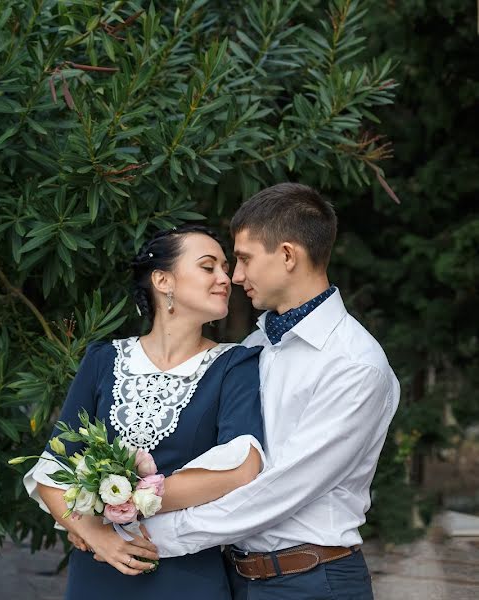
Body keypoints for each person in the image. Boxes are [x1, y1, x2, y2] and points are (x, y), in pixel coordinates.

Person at [128, 183, 401, 600]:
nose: (235, 277)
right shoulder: (254, 348)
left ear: (288, 255)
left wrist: (146, 534)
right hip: (233, 577)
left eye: (244, 259)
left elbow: (277, 490)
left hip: (310, 582)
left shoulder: (354, 364)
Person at [21, 224, 267, 599]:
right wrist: (94, 533)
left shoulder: (235, 364)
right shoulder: (104, 359)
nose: (226, 278)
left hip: (186, 572)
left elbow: (242, 466)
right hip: (99, 567)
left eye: (225, 267)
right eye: (208, 266)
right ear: (163, 280)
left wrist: (123, 499)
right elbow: (53, 467)